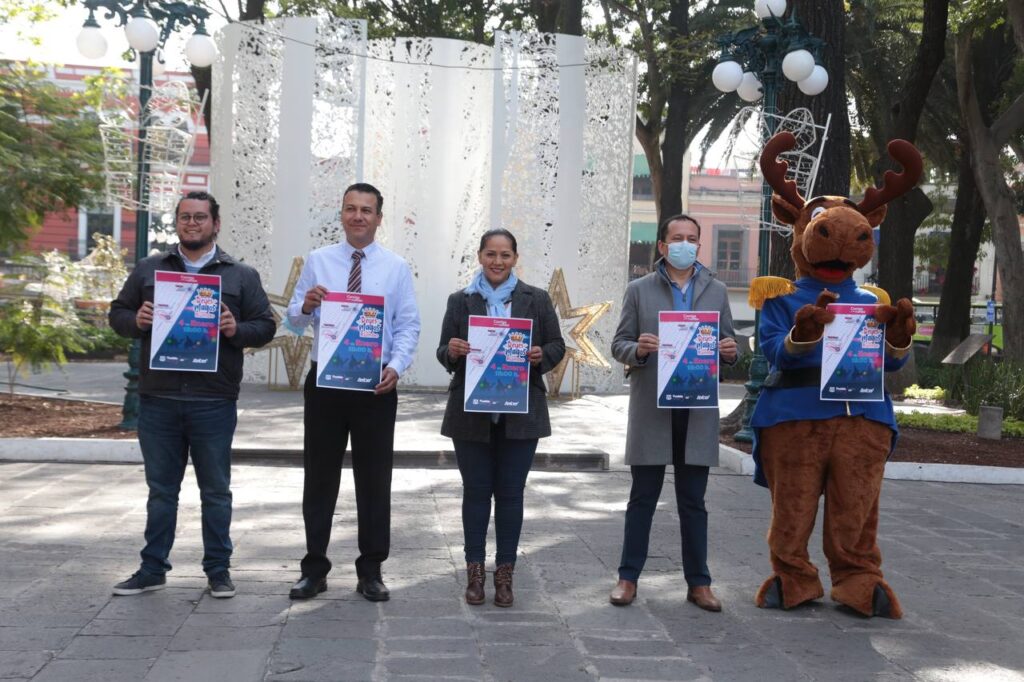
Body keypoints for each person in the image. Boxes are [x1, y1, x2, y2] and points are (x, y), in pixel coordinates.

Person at [108, 190, 276, 599]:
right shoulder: (150, 269)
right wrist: (138, 320)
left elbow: (266, 325)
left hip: (212, 401)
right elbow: (117, 314)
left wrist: (236, 329)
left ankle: (218, 570)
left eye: (200, 217)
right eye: (185, 217)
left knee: (215, 491)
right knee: (162, 490)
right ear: (178, 222)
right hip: (159, 399)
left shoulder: (240, 275)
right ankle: (152, 569)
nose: (192, 223)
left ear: (215, 224)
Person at [286, 182, 421, 602]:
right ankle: (314, 568)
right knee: (319, 477)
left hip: (375, 386)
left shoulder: (396, 267)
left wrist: (396, 368)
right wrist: (306, 305)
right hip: (326, 385)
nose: (358, 216)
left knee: (374, 478)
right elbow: (292, 320)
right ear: (341, 214)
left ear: (379, 218)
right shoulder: (318, 260)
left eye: (366, 210)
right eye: (350, 209)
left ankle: (371, 569)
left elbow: (408, 326)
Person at [608, 214, 738, 610]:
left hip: (697, 409)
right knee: (642, 497)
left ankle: (699, 583)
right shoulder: (639, 290)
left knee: (693, 501)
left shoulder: (716, 290)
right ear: (663, 246)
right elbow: (619, 344)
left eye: (692, 238)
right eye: (677, 238)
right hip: (653, 406)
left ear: (699, 245)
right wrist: (640, 350)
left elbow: (729, 342)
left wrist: (731, 351)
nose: (685, 244)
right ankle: (627, 578)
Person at [436, 229, 565, 607]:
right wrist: (453, 351)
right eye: (491, 254)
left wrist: (542, 354)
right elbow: (443, 351)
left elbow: (557, 345)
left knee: (510, 495)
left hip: (521, 413)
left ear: (515, 258)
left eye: (505, 254)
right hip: (471, 414)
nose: (497, 261)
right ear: (479, 256)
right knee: (476, 493)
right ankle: (474, 571)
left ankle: (505, 574)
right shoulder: (460, 301)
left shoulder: (536, 300)